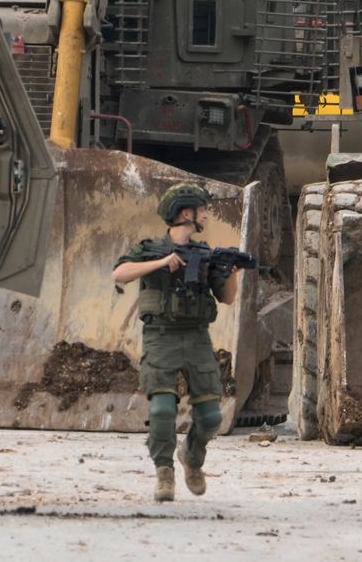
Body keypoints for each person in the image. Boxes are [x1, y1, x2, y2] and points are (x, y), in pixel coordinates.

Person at [112, 183, 240, 502]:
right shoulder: (150, 248)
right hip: (161, 336)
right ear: (186, 213)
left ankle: (192, 458)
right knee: (162, 410)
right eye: (202, 210)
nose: (206, 215)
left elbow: (226, 299)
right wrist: (162, 263)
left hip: (196, 337)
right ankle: (164, 472)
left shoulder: (205, 254)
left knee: (211, 416)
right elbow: (120, 274)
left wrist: (231, 272)